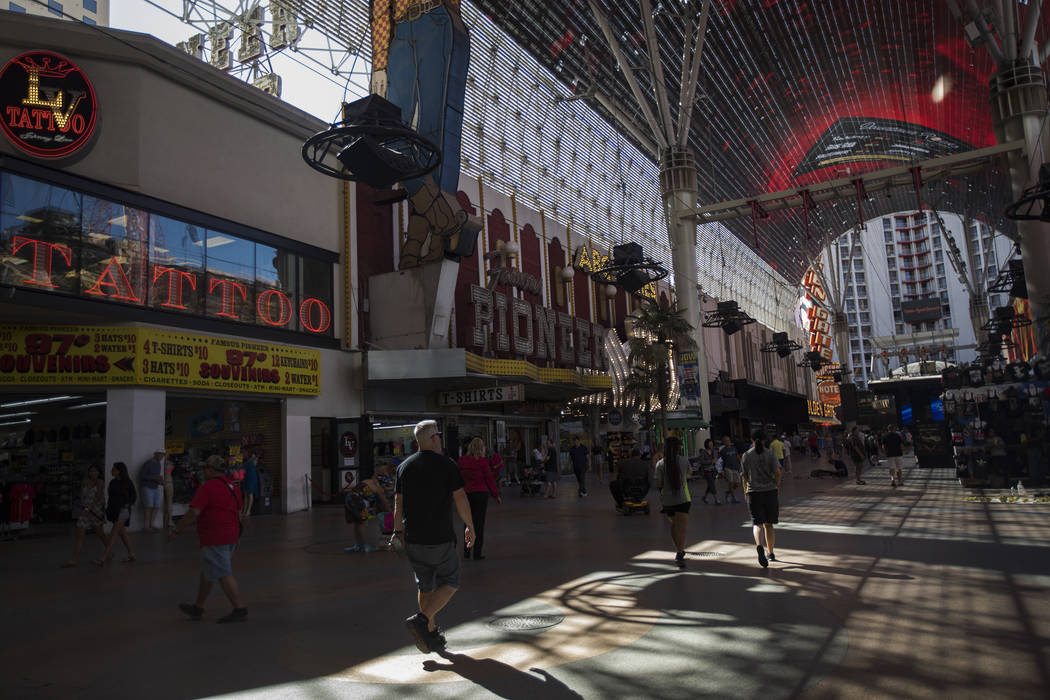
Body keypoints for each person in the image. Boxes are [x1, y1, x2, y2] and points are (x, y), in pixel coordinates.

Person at [390, 420, 476, 654]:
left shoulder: (404, 467)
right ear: (430, 439)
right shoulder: (447, 465)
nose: (440, 438)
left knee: (425, 586)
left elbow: (398, 503)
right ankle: (423, 619)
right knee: (451, 580)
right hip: (439, 538)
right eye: (438, 435)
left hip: (413, 539)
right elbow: (460, 499)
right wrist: (470, 526)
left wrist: (397, 532)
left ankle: (430, 633)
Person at [170, 455, 247, 623]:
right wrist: (237, 536)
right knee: (208, 572)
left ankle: (239, 609)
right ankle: (198, 607)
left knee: (223, 573)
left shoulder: (207, 487)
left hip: (215, 536)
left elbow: (193, 512)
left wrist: (177, 530)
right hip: (231, 535)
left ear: (211, 470)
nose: (203, 471)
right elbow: (238, 513)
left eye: (205, 468)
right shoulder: (233, 486)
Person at [741, 429, 783, 568]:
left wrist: (746, 492)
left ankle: (760, 547)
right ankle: (770, 553)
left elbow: (744, 476)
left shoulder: (746, 455)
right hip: (770, 491)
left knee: (757, 524)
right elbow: (778, 472)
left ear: (751, 440)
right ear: (764, 440)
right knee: (769, 524)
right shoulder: (770, 454)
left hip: (754, 493)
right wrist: (776, 485)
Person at [456, 437, 501, 560]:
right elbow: (489, 480)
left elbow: (457, 478)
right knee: (479, 524)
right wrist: (496, 495)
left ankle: (466, 551)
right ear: (482, 448)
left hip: (466, 495)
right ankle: (477, 553)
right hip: (480, 495)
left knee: (467, 523)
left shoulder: (461, 461)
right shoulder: (482, 462)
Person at [654, 437, 691, 569]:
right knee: (682, 528)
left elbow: (658, 483)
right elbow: (689, 475)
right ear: (678, 448)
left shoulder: (660, 464)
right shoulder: (684, 460)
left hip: (667, 500)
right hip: (683, 498)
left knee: (674, 525)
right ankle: (680, 552)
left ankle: (679, 550)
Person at [62, 464, 106, 568]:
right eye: (91, 471)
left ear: (99, 472)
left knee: (100, 533)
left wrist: (88, 508)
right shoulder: (85, 482)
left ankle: (109, 550)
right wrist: (83, 507)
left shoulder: (100, 482)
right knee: (80, 534)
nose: (92, 473)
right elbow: (82, 496)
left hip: (96, 511)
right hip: (84, 511)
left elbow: (98, 496)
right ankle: (74, 559)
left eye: (95, 471)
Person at [94, 462, 136, 566]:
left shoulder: (128, 482)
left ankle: (103, 558)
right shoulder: (112, 482)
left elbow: (133, 496)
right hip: (115, 510)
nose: (111, 471)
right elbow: (111, 498)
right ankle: (131, 554)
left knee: (114, 532)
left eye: (114, 469)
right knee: (122, 533)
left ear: (119, 471)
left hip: (124, 511)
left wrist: (126, 505)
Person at [344, 469, 393, 553]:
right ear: (383, 483)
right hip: (357, 500)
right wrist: (392, 513)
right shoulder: (379, 489)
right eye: (386, 486)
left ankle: (358, 545)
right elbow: (386, 504)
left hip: (349, 498)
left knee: (357, 523)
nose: (386, 488)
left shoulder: (369, 481)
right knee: (361, 523)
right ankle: (363, 546)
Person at [140, 450, 164, 531]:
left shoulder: (159, 464)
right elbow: (142, 476)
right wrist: (155, 478)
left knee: (157, 506)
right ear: (156, 454)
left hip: (155, 487)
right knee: (148, 506)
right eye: (161, 455)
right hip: (147, 487)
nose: (162, 457)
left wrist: (161, 481)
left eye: (163, 455)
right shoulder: (148, 463)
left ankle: (152, 524)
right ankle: (146, 526)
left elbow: (156, 476)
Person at [719, 435, 742, 504]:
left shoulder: (734, 448)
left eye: (728, 440)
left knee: (738, 483)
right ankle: (733, 498)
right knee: (731, 482)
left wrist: (740, 464)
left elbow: (737, 457)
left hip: (735, 468)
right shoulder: (723, 451)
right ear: (723, 442)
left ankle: (728, 492)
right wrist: (721, 470)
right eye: (726, 441)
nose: (728, 442)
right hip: (727, 468)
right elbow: (720, 461)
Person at [697, 438, 720, 505]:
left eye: (712, 443)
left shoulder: (714, 451)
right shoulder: (703, 452)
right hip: (706, 471)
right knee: (712, 485)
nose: (711, 445)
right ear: (707, 444)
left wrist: (716, 460)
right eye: (710, 444)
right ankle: (716, 500)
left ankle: (704, 497)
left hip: (713, 470)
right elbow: (701, 461)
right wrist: (710, 461)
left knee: (710, 485)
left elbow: (716, 458)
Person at [241, 451, 260, 517]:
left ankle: (248, 511)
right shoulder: (246, 461)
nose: (244, 454)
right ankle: (244, 511)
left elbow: (255, 464)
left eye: (245, 453)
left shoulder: (254, 460)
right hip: (246, 478)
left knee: (250, 494)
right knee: (246, 495)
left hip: (251, 478)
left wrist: (254, 458)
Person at [162, 455, 176, 528]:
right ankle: (169, 521)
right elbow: (169, 472)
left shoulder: (161, 463)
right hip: (168, 482)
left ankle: (164, 520)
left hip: (162, 483)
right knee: (169, 502)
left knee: (164, 503)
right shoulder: (170, 464)